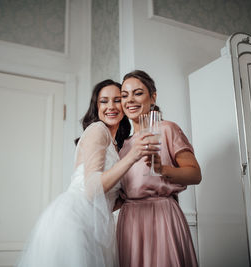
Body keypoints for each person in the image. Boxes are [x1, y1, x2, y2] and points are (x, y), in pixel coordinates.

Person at [17, 79, 159, 267]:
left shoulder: (118, 143)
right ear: (96, 106)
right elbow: (92, 189)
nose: (111, 107)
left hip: (98, 224)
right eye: (104, 101)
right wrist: (132, 157)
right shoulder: (97, 130)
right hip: (76, 220)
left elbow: (107, 198)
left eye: (117, 100)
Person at [116, 70, 202, 267]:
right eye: (124, 95)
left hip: (162, 216)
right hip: (130, 221)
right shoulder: (123, 145)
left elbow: (195, 174)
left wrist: (162, 168)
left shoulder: (167, 129)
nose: (130, 100)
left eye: (137, 93)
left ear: (153, 97)